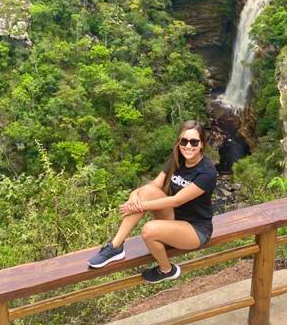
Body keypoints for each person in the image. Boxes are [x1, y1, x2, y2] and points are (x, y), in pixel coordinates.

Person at [88, 120, 217, 283]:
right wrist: (136, 193)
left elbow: (176, 200)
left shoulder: (207, 172)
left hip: (195, 230)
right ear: (178, 142)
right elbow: (154, 185)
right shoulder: (177, 159)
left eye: (194, 142)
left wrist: (140, 205)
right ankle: (115, 247)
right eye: (184, 141)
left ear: (202, 145)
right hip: (173, 219)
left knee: (148, 230)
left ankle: (166, 270)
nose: (188, 146)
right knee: (147, 191)